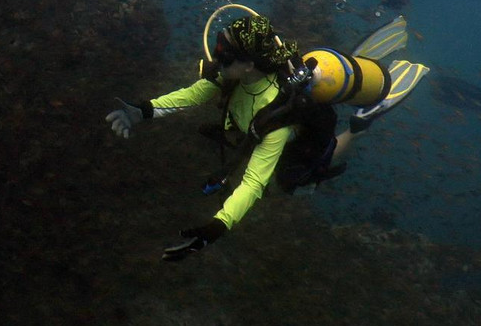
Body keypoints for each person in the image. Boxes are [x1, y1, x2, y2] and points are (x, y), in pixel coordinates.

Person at [106, 14, 428, 261]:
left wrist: (215, 228)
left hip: (299, 144)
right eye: (218, 49)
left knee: (296, 179)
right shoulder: (233, 75)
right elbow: (193, 94)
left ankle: (359, 126)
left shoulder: (277, 116)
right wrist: (142, 111)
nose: (217, 59)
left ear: (249, 65)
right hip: (249, 126)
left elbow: (253, 182)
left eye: (225, 55)